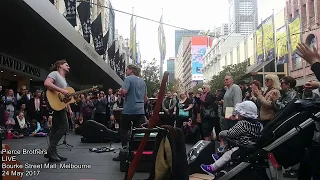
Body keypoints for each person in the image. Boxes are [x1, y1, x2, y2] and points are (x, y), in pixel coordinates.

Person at [200, 101, 263, 177]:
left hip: (242, 147)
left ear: (243, 114)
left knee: (228, 153)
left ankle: (212, 168)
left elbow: (231, 133)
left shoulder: (242, 124)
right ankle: (221, 157)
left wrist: (221, 133)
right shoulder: (258, 125)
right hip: (251, 145)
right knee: (229, 148)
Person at [113, 64, 147, 161]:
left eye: (127, 69)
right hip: (140, 110)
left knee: (124, 131)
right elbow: (146, 98)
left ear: (131, 70)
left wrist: (120, 91)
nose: (125, 71)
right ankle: (136, 153)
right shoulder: (142, 81)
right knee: (137, 132)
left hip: (129, 110)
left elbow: (124, 92)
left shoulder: (128, 79)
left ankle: (124, 153)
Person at [43, 59, 73, 162]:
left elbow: (65, 97)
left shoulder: (64, 79)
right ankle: (51, 150)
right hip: (54, 104)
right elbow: (47, 83)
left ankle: (53, 153)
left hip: (61, 106)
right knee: (65, 127)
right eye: (67, 64)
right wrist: (61, 90)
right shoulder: (55, 73)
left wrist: (69, 108)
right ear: (60, 65)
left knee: (55, 129)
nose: (69, 66)